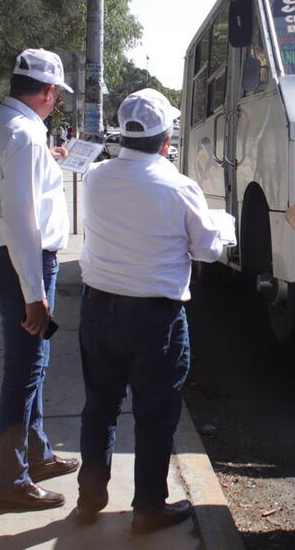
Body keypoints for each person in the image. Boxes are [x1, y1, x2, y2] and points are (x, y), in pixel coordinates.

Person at [77, 88, 229, 533]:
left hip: (98, 309)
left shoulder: (96, 177)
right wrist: (224, 230)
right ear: (167, 141)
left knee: (99, 406)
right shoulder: (179, 187)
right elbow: (208, 249)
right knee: (156, 412)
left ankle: (90, 496)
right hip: (154, 319)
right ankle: (147, 506)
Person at [0, 48, 79, 510]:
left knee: (35, 362)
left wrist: (48, 157)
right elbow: (22, 220)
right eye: (57, 96)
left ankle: (37, 451)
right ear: (49, 92)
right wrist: (35, 294)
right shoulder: (26, 136)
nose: (56, 103)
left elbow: (1, 185)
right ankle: (10, 481)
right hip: (21, 264)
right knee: (25, 371)